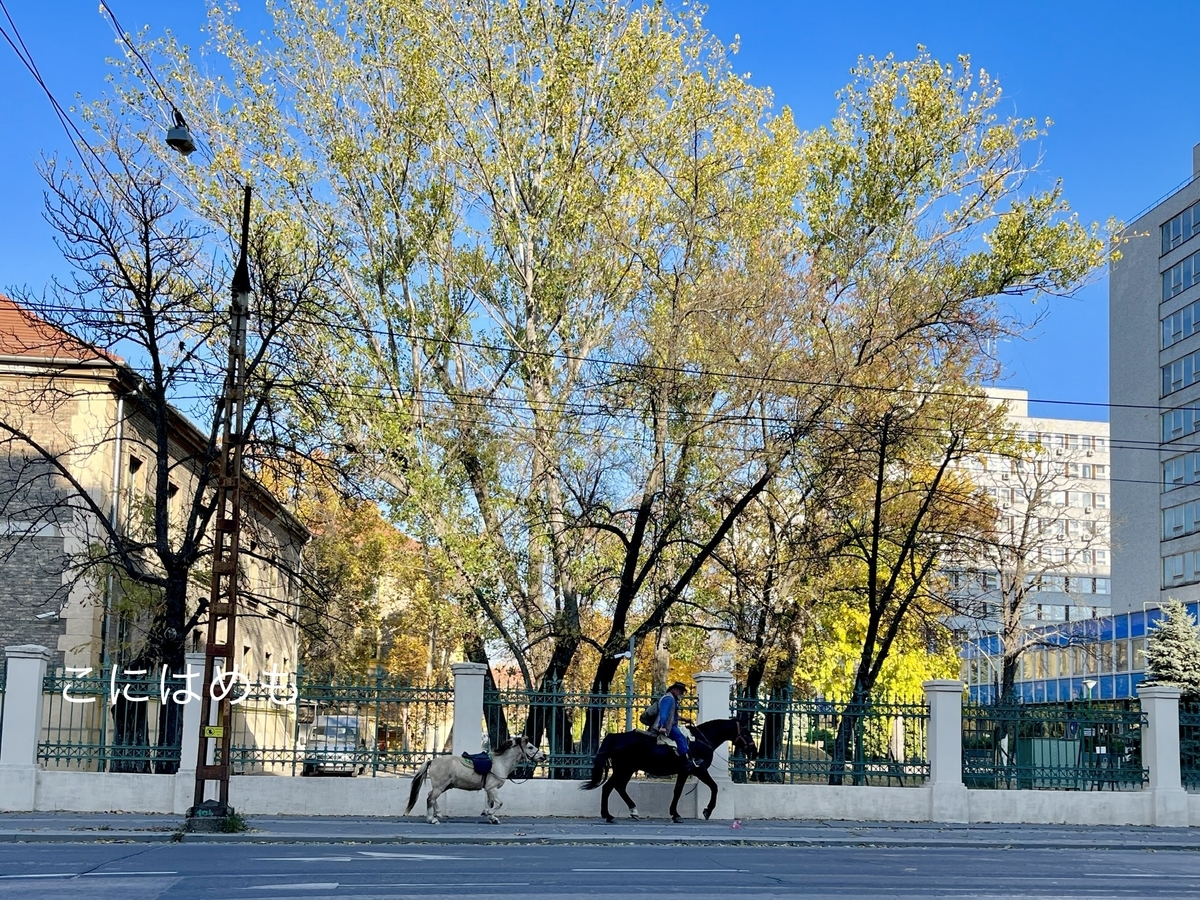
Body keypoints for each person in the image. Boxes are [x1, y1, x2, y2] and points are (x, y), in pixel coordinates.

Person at [655, 681, 698, 770]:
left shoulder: (672, 699)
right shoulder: (669, 699)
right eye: (681, 691)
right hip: (666, 727)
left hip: (670, 725)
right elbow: (664, 714)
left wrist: (685, 719)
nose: (681, 694)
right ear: (675, 690)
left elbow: (672, 716)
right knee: (680, 738)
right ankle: (686, 762)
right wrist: (662, 726)